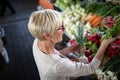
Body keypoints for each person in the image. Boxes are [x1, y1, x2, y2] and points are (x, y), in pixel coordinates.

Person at [28, 9, 120, 80]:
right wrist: (104, 44)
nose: (64, 29)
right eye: (60, 27)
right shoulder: (58, 65)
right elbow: (91, 68)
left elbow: (52, 56)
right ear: (47, 35)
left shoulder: (37, 41)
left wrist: (70, 49)